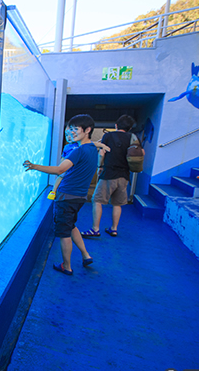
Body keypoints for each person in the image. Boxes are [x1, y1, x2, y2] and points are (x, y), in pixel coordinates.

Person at [23, 114, 100, 276]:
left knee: (64, 233)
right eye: (69, 129)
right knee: (71, 225)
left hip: (67, 197)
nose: (71, 132)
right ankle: (86, 255)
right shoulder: (93, 149)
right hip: (79, 197)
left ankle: (67, 266)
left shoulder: (77, 151)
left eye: (75, 129)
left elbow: (59, 170)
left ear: (87, 130)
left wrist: (34, 166)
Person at [81, 115, 138, 238]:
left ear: (116, 125)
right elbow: (141, 153)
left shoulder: (108, 136)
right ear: (129, 128)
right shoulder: (132, 138)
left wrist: (99, 166)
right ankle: (114, 229)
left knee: (97, 200)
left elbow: (102, 153)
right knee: (117, 204)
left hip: (109, 174)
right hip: (124, 176)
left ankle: (95, 229)